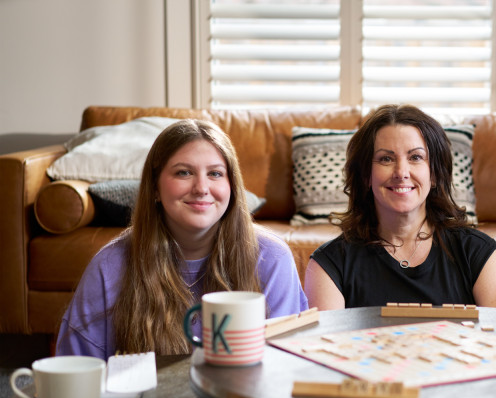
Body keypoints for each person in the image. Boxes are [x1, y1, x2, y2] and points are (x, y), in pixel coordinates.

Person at [56, 119, 308, 360]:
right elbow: (79, 369)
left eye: (215, 173)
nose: (201, 188)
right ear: (155, 187)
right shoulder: (109, 266)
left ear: (232, 186)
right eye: (184, 172)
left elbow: (286, 366)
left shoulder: (272, 258)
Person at [305, 104, 496, 310]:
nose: (401, 172)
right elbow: (329, 333)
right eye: (386, 159)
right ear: (366, 175)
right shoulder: (330, 264)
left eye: (415, 157)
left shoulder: (479, 254)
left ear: (434, 174)